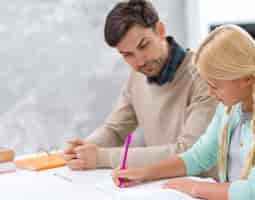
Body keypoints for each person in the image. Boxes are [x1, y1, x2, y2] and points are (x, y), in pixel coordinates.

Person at [111, 24, 255, 200]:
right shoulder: (229, 108)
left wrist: (193, 187)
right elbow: (199, 156)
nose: (210, 93)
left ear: (246, 79)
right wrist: (145, 172)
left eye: (215, 85)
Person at [63, 0, 217, 176]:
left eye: (144, 45)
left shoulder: (204, 74)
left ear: (159, 30)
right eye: (128, 55)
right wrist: (83, 148)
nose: (140, 62)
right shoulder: (138, 76)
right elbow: (114, 130)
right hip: (161, 187)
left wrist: (102, 157)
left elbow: (188, 152)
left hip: (202, 191)